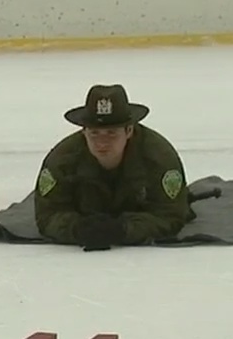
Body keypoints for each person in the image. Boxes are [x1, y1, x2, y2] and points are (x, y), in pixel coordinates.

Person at [34, 84, 194, 251]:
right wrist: (76, 228)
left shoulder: (159, 158)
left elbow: (170, 215)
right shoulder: (62, 161)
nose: (102, 143)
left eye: (111, 133)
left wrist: (124, 230)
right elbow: (48, 214)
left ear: (129, 131)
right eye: (94, 133)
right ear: (84, 132)